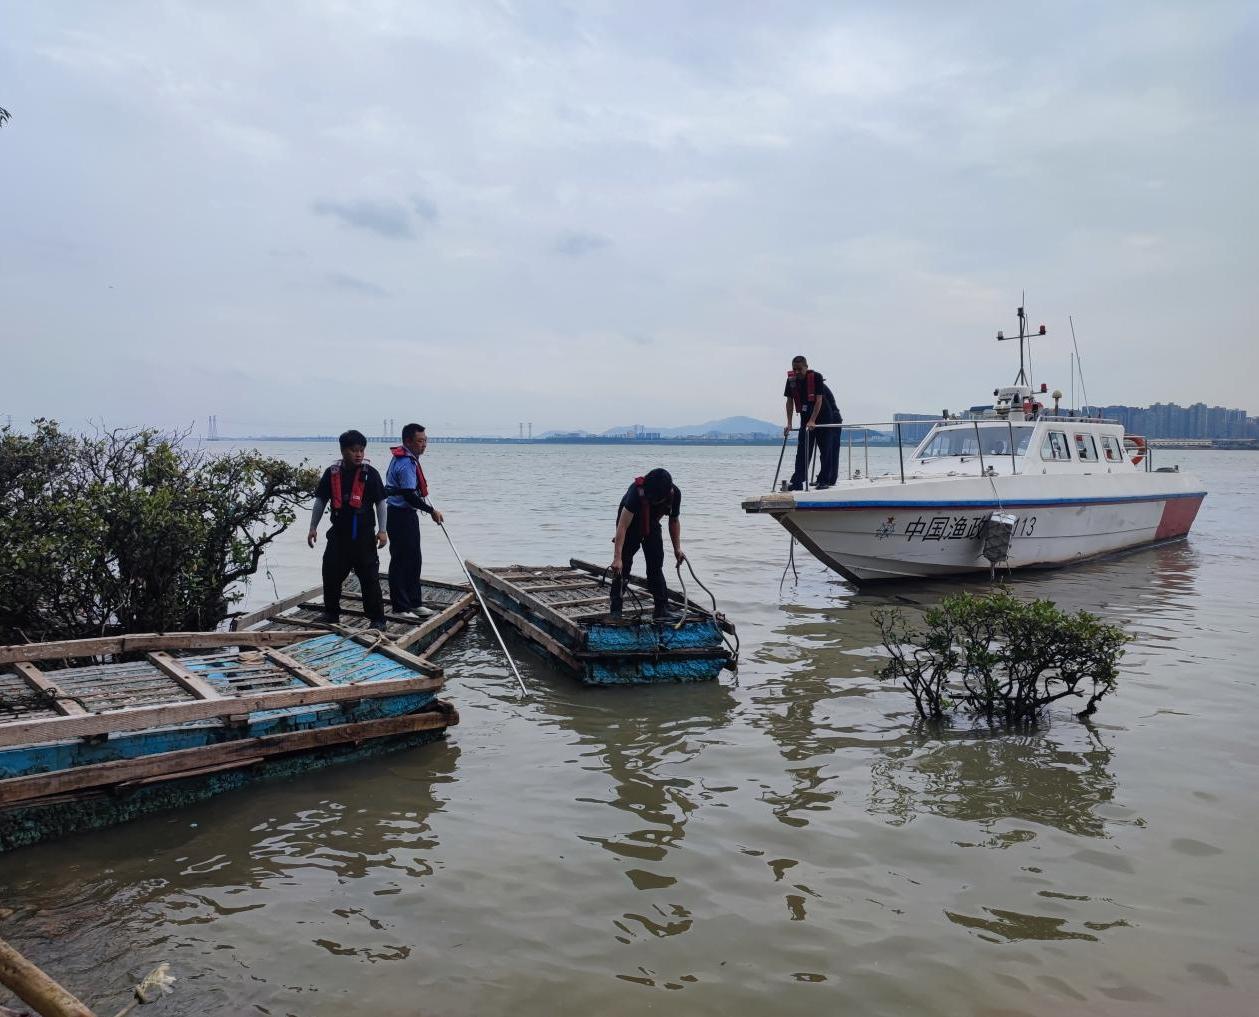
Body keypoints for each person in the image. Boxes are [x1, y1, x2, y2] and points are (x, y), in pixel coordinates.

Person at [307, 429, 389, 629]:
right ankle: (331, 614)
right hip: (339, 535)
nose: (359, 454)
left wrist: (383, 530)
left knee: (369, 578)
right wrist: (312, 527)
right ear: (343, 451)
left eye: (361, 450)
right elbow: (320, 501)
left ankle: (377, 619)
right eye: (354, 450)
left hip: (363, 535)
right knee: (330, 573)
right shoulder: (332, 473)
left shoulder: (370, 474)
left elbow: (381, 503)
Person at [384, 422, 444, 618]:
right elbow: (409, 495)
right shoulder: (404, 463)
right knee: (401, 560)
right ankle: (400, 607)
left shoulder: (411, 459)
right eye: (420, 441)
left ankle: (414, 603)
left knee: (414, 559)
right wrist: (431, 510)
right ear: (408, 441)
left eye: (425, 441)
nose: (424, 445)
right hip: (398, 515)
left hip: (407, 515)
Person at [610, 468, 685, 622]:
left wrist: (677, 548)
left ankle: (661, 609)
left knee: (656, 564)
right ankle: (616, 610)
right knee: (623, 566)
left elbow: (674, 520)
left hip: (651, 524)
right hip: (630, 526)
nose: (653, 500)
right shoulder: (635, 493)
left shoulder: (674, 494)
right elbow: (622, 526)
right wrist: (617, 558)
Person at [783, 355, 842, 489]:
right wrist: (789, 423)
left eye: (799, 369)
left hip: (825, 416)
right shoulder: (791, 380)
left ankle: (824, 480)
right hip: (806, 416)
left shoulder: (816, 377)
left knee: (825, 449)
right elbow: (789, 402)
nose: (797, 372)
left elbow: (819, 400)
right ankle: (797, 481)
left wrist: (813, 420)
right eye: (794, 369)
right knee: (803, 450)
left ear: (806, 367)